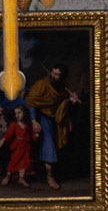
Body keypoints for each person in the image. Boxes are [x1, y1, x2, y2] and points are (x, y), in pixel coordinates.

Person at [25, 60, 80, 188]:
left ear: (62, 77)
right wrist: (34, 121)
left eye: (57, 75)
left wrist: (71, 100)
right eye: (53, 73)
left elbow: (62, 104)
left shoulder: (61, 88)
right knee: (49, 145)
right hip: (42, 118)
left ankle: (54, 172)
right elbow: (31, 102)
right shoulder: (41, 84)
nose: (53, 76)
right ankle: (50, 177)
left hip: (56, 119)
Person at [0, 102, 36, 187]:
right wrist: (2, 140)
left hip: (26, 146)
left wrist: (36, 135)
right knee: (14, 161)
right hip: (17, 146)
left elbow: (32, 135)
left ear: (24, 113)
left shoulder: (28, 124)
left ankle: (21, 178)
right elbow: (8, 134)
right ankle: (8, 176)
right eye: (16, 113)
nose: (17, 115)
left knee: (24, 163)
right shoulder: (14, 124)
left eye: (19, 113)